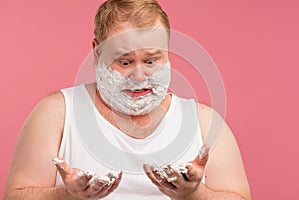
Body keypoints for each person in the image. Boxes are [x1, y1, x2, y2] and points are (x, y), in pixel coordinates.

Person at [5, 0, 251, 199]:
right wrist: (66, 195)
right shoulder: (56, 114)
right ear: (97, 52)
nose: (139, 75)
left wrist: (195, 194)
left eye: (151, 60)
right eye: (124, 62)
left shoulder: (203, 122)